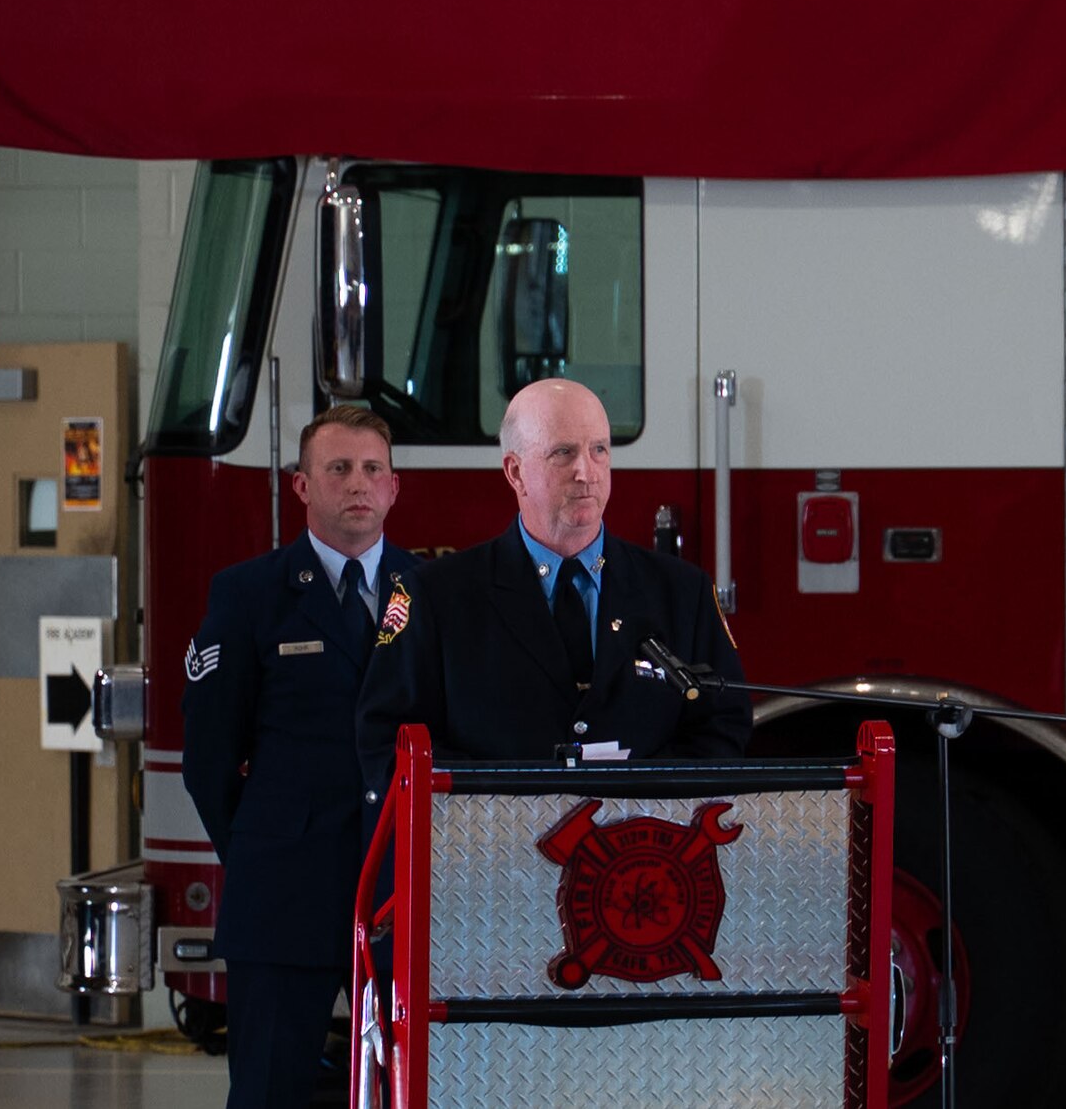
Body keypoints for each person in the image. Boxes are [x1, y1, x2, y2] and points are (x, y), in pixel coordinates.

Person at [181, 405, 418, 1109]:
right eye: (338, 468)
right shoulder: (250, 594)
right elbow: (210, 760)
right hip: (285, 894)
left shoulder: (426, 590)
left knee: (417, 1090)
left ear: (394, 488)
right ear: (302, 486)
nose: (358, 484)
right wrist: (264, 849)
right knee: (270, 1093)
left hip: (402, 897)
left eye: (373, 469)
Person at [355, 379, 750, 799]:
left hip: (638, 855)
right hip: (493, 857)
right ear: (515, 472)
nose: (586, 472)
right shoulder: (436, 596)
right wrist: (505, 811)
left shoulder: (682, 592)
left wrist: (641, 807)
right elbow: (387, 743)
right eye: (564, 453)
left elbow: (723, 728)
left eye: (599, 450)